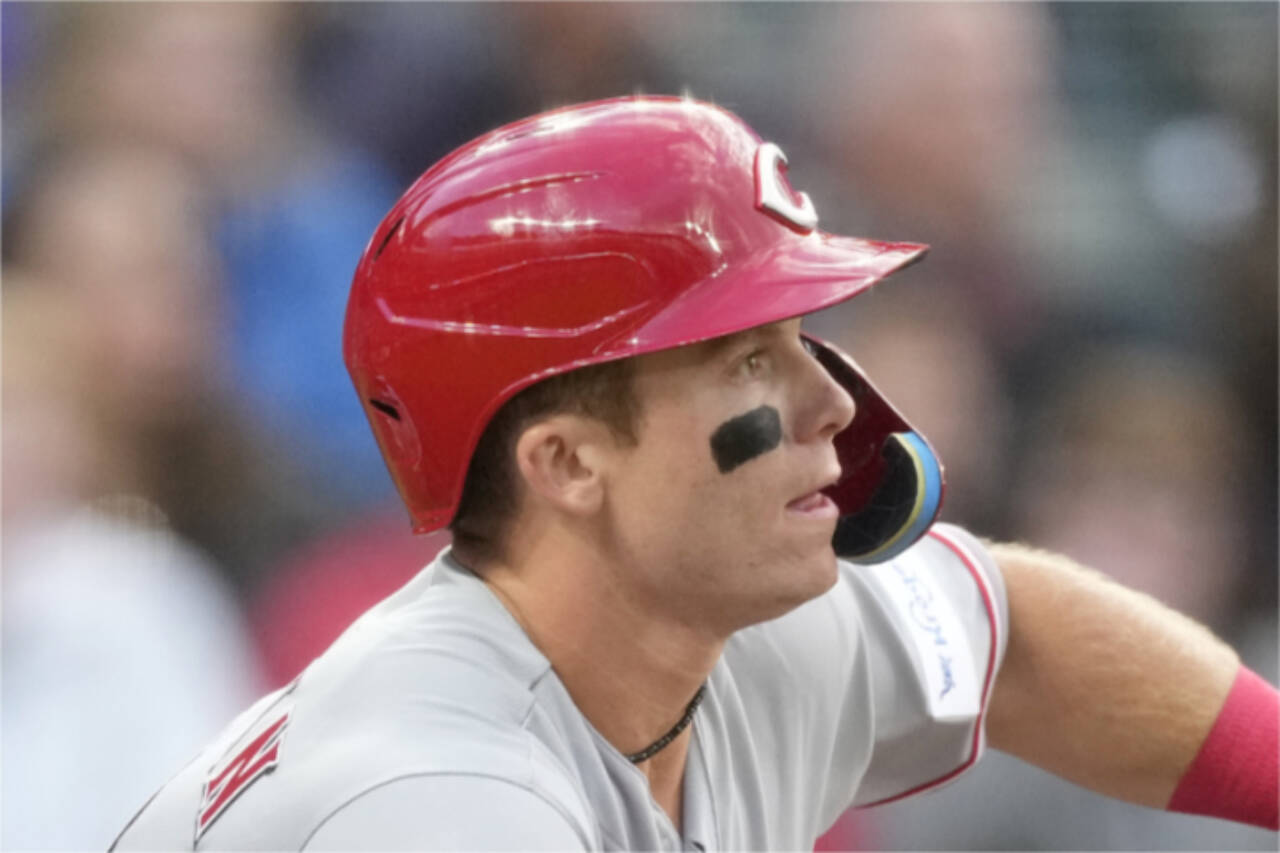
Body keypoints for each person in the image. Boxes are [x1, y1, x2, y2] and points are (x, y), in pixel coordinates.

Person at [110, 96, 1276, 851]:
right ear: (566, 463)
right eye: (749, 363)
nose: (831, 402)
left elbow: (1018, 637)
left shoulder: (714, 630)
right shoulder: (436, 797)